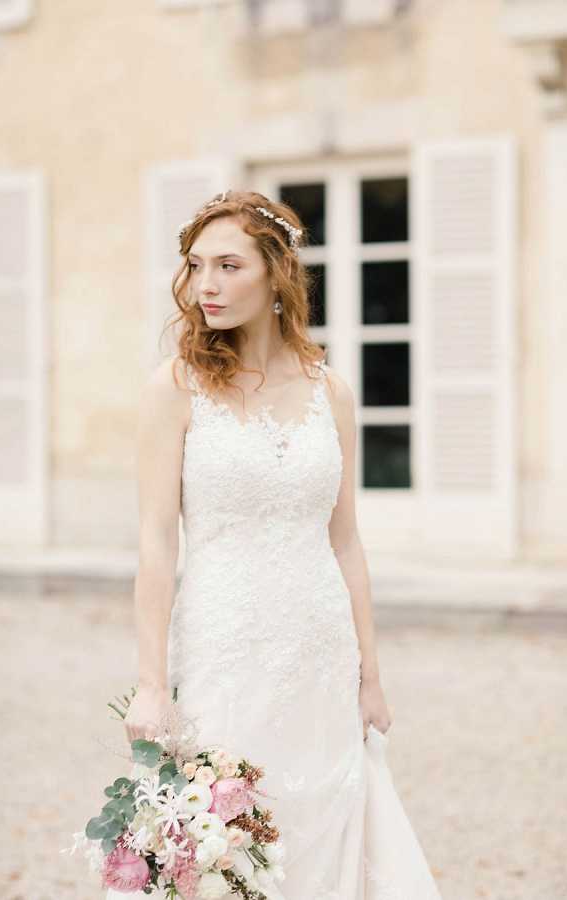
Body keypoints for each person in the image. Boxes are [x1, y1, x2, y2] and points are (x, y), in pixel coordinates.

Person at [110, 190, 442, 899]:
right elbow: (156, 544)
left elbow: (346, 543)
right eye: (197, 265)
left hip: (321, 652)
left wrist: (371, 677)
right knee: (228, 840)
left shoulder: (332, 392)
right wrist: (150, 684)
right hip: (224, 647)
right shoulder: (175, 388)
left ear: (277, 273)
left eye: (229, 266)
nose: (206, 284)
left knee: (326, 824)